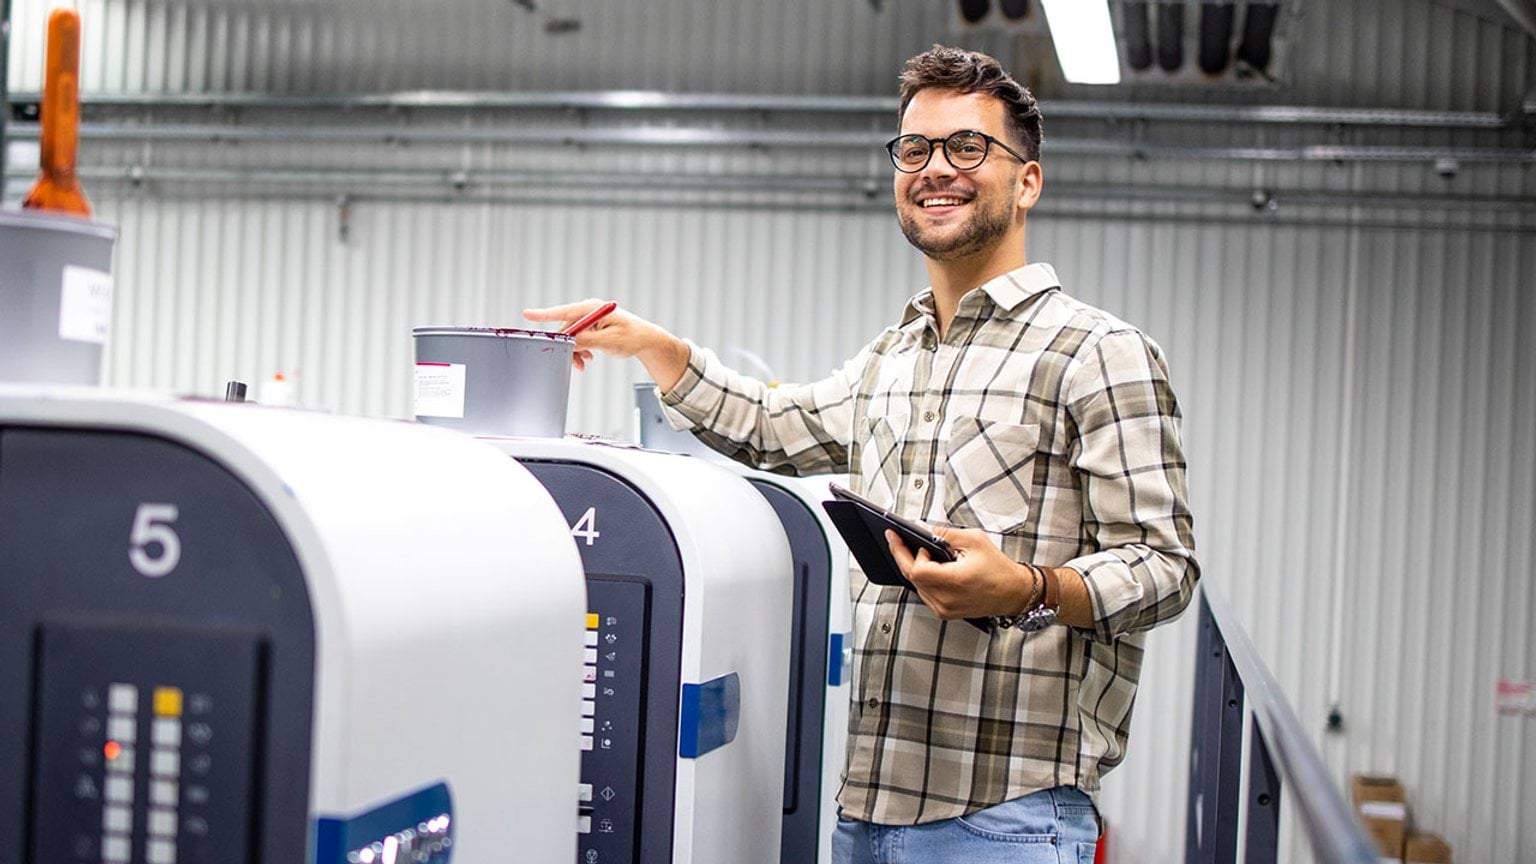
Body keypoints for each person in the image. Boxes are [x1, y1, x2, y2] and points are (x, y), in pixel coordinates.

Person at [527, 44, 1199, 864]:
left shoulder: (1098, 351)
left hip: (1008, 821)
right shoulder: (896, 355)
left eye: (967, 147)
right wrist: (656, 348)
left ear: (1027, 181)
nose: (934, 169)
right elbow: (776, 427)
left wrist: (1028, 588)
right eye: (914, 149)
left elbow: (1165, 567)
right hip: (867, 812)